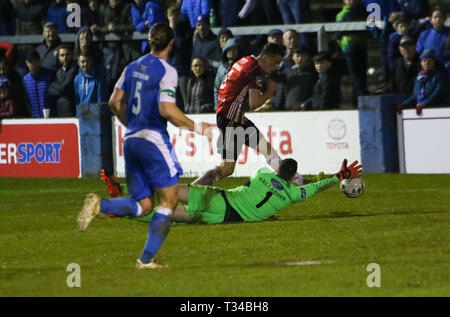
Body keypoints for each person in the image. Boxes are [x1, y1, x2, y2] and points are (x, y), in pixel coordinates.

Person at [77, 23, 213, 269]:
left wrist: (133, 125)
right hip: (152, 140)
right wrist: (199, 128)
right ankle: (145, 260)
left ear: (150, 42)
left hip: (130, 141)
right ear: (171, 43)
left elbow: (114, 102)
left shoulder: (131, 67)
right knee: (169, 202)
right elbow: (167, 110)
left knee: (144, 205)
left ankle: (100, 205)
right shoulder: (167, 71)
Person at [101, 159, 361, 225]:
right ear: (294, 177)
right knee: (167, 215)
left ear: (277, 168)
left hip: (216, 195)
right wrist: (338, 176)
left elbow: (267, 185)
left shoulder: (262, 173)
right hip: (221, 215)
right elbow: (315, 188)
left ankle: (121, 188)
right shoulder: (294, 194)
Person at [193, 42, 306, 187]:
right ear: (264, 57)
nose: (277, 66)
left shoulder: (247, 60)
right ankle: (193, 189)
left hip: (233, 117)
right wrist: (270, 91)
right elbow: (254, 103)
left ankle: (298, 181)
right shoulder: (256, 72)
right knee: (227, 168)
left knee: (266, 150)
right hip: (231, 120)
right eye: (275, 62)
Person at [336, 0, 368, 108]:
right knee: (356, 77)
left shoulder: (362, 12)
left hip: (361, 47)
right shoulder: (342, 15)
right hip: (349, 50)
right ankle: (362, 99)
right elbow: (338, 35)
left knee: (361, 75)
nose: (352, 1)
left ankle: (356, 102)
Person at [397, 49, 447, 115]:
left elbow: (437, 94)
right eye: (424, 61)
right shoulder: (419, 77)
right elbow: (415, 95)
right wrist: (404, 104)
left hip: (436, 111)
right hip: (422, 111)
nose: (426, 63)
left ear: (433, 62)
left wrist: (424, 104)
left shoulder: (439, 76)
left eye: (429, 61)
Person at [166, 4, 193, 111]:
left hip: (182, 70)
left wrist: (174, 29)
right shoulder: (165, 31)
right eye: (171, 15)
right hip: (170, 71)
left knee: (186, 101)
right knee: (172, 101)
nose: (173, 18)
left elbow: (180, 44)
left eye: (176, 15)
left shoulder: (185, 30)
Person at [23, 50, 55, 118]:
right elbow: (25, 102)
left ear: (40, 61)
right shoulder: (25, 80)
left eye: (36, 61)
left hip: (51, 118)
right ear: (26, 63)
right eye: (31, 62)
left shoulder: (50, 75)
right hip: (33, 120)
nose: (34, 64)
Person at [214, 37, 243, 110]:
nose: (232, 52)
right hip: (223, 105)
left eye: (234, 49)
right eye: (229, 49)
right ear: (225, 51)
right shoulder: (221, 68)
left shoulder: (243, 66)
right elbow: (217, 88)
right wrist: (217, 106)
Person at [48, 44, 78, 117]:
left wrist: (56, 88)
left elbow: (65, 87)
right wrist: (59, 88)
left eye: (67, 55)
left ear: (71, 55)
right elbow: (50, 90)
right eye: (62, 55)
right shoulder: (58, 72)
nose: (65, 58)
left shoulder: (74, 69)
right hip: (59, 110)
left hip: (71, 109)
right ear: (58, 57)